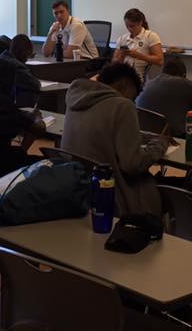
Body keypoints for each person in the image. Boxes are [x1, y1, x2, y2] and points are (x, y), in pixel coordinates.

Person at [62, 63, 168, 216]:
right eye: (133, 97)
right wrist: (160, 144)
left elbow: (106, 131)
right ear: (124, 85)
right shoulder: (123, 105)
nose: (132, 101)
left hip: (77, 188)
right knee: (165, 190)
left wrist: (146, 136)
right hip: (113, 194)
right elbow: (133, 164)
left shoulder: (77, 97)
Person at [136, 56, 192, 135]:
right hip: (171, 137)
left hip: (145, 135)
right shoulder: (184, 84)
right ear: (183, 76)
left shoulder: (149, 83)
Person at [112, 8, 163, 81]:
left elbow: (160, 61)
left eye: (132, 26)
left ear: (140, 23)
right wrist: (122, 56)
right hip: (121, 74)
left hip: (136, 77)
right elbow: (114, 64)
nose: (129, 29)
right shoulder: (122, 38)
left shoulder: (150, 36)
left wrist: (138, 56)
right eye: (127, 26)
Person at [0, 34, 41, 108]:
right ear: (25, 52)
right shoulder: (17, 68)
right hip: (12, 108)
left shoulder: (1, 59)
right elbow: (35, 84)